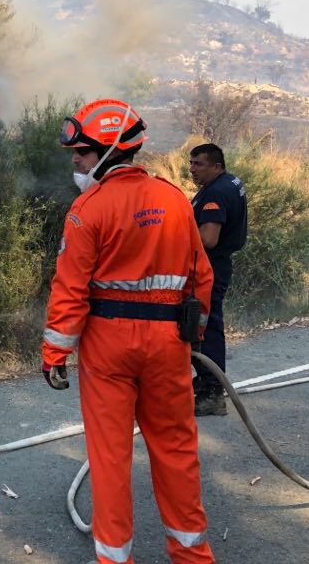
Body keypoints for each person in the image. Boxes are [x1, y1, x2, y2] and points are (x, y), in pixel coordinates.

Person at [42, 98, 217, 564]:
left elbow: (70, 288)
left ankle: (115, 559)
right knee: (177, 451)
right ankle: (193, 557)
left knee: (110, 459)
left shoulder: (87, 209)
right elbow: (202, 277)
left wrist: (54, 352)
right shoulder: (176, 200)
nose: (75, 160)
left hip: (108, 347)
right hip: (168, 347)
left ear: (110, 150)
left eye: (81, 152)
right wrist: (193, 335)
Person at [188, 143, 248, 417]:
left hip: (209, 269)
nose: (192, 169)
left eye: (199, 164)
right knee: (206, 325)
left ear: (216, 166)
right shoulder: (229, 182)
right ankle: (206, 383)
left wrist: (177, 233)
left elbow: (208, 239)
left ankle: (212, 393)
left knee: (205, 327)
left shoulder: (215, 193)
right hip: (217, 266)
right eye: (191, 163)